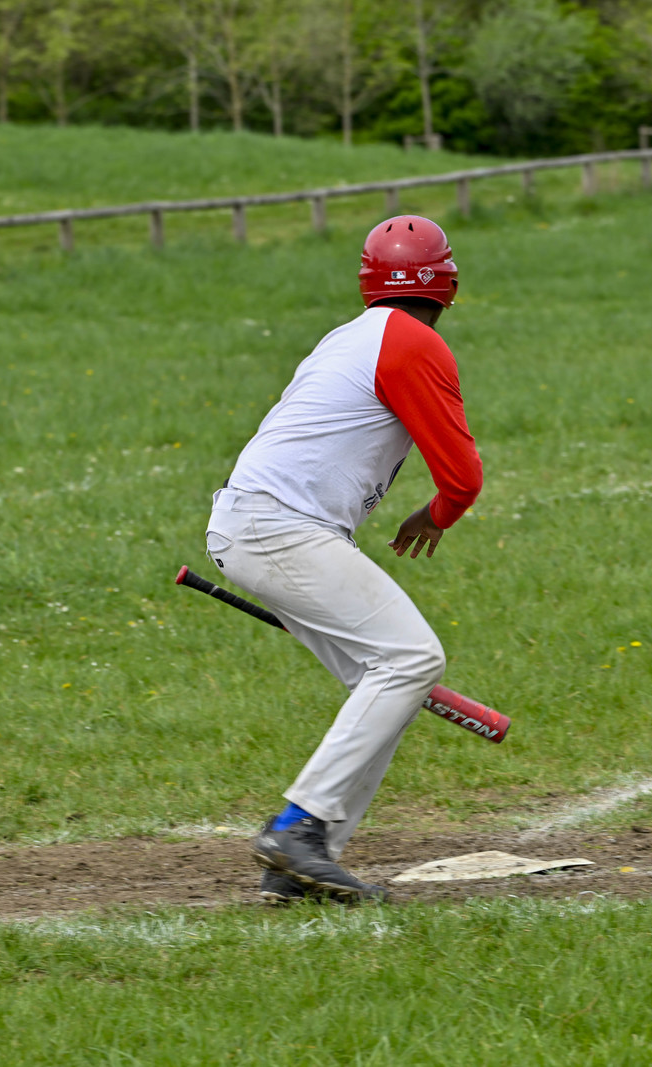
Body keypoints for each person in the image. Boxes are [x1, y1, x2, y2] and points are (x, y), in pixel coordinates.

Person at [204, 215, 483, 904]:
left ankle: (303, 862)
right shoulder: (416, 343)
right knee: (411, 660)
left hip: (254, 522)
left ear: (368, 282)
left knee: (388, 681)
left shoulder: (347, 337)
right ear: (446, 284)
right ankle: (297, 828)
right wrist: (438, 514)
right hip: (281, 528)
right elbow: (462, 476)